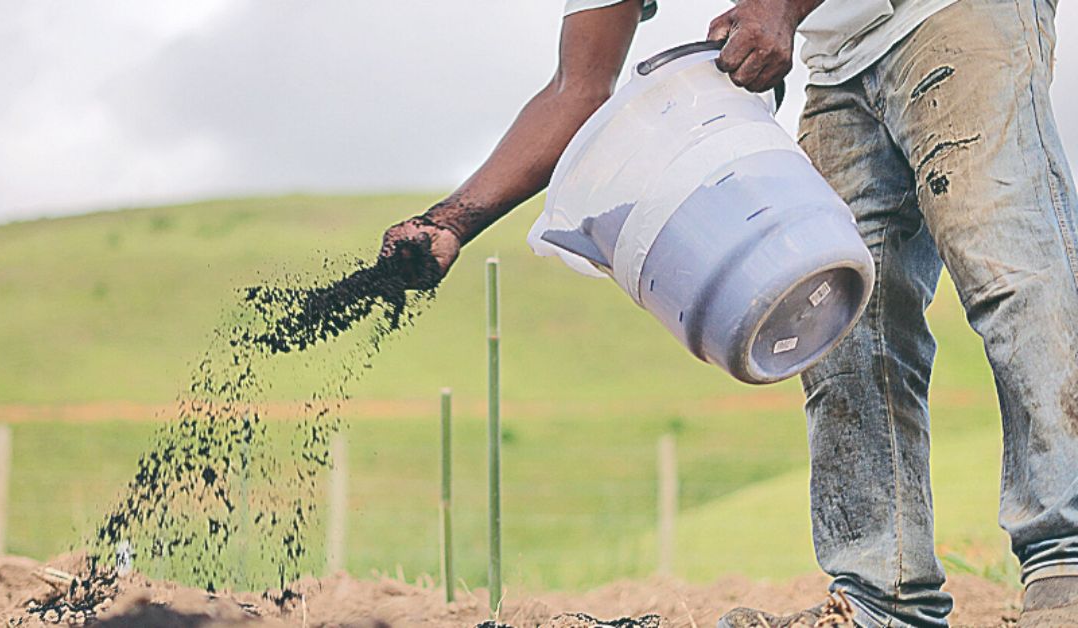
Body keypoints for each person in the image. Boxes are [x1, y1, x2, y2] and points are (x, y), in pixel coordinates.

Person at [379, 0, 1078, 625]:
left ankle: (1066, 562)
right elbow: (578, 87)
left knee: (1011, 269)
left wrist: (781, 7)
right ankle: (882, 598)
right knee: (836, 310)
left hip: (957, 14)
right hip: (841, 60)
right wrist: (449, 222)